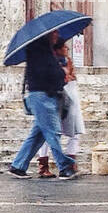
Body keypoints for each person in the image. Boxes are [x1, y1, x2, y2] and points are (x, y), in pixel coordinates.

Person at [8, 29, 76, 179]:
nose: (57, 36)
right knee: (53, 132)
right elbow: (49, 73)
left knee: (38, 135)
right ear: (47, 35)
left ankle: (18, 165)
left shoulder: (44, 52)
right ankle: (64, 166)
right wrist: (61, 72)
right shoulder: (40, 53)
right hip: (42, 96)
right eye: (54, 34)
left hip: (44, 96)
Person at [35, 36, 85, 177]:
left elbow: (71, 77)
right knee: (47, 133)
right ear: (57, 49)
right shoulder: (49, 63)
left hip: (69, 98)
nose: (67, 49)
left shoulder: (68, 61)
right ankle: (43, 165)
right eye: (64, 47)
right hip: (55, 99)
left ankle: (70, 163)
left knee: (74, 132)